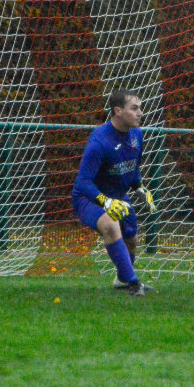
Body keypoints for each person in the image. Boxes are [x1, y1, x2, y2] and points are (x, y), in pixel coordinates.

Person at [71, 89, 156, 296]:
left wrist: (139, 187)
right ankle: (134, 283)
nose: (140, 112)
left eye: (140, 108)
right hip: (89, 198)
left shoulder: (137, 134)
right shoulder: (99, 140)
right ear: (118, 111)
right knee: (110, 225)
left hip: (117, 196)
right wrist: (106, 202)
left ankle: (122, 279)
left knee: (131, 238)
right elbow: (83, 182)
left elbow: (133, 167)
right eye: (134, 108)